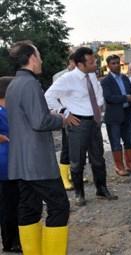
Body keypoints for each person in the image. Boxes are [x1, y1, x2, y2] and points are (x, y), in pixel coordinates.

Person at [6, 41, 70, 254]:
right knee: (59, 206)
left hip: (20, 162)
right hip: (38, 162)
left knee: (29, 207)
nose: (41, 59)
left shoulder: (13, 85)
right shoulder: (31, 84)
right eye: (39, 55)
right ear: (32, 58)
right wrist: (60, 119)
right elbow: (39, 121)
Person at [45, 47, 117, 207]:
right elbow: (48, 96)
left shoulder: (91, 75)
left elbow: (97, 92)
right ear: (80, 64)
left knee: (98, 158)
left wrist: (99, 106)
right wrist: (64, 112)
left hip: (94, 121)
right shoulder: (67, 79)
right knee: (77, 161)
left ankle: (101, 188)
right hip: (78, 123)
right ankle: (79, 193)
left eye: (94, 60)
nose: (95, 64)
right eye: (91, 62)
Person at [101, 55, 131, 176]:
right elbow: (109, 98)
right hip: (113, 116)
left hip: (126, 113)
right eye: (113, 63)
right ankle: (119, 166)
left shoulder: (125, 78)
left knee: (129, 140)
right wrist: (125, 98)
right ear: (108, 66)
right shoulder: (105, 81)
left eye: (117, 63)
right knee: (115, 142)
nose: (116, 65)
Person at [0, 76, 21, 253]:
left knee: (17, 202)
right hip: (4, 165)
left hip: (16, 163)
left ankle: (17, 237)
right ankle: (10, 242)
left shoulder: (12, 109)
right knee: (7, 205)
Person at [51, 53, 76, 191]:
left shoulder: (80, 76)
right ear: (71, 61)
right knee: (66, 146)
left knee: (76, 147)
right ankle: (64, 177)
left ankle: (73, 173)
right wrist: (63, 114)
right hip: (66, 115)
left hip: (79, 115)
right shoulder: (59, 76)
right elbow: (55, 98)